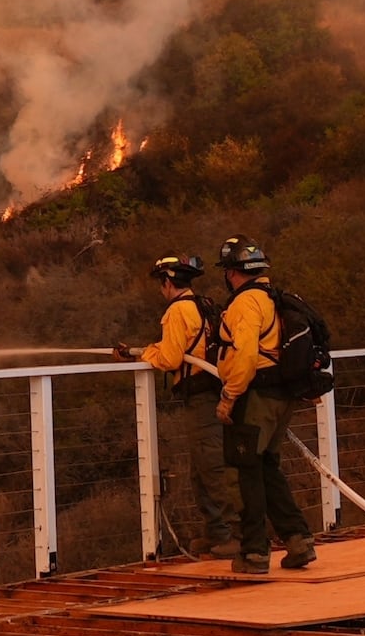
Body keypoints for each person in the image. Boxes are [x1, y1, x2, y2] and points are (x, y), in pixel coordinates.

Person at [208, 237, 322, 575]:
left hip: (254, 397)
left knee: (244, 472)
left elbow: (243, 356)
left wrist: (229, 397)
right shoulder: (275, 298)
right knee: (268, 469)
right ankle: (298, 541)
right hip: (280, 397)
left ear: (231, 272)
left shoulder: (245, 304)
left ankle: (254, 553)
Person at [116, 255, 234, 560]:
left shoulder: (176, 312)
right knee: (202, 466)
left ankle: (231, 535)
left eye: (161, 284)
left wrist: (141, 355)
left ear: (168, 283)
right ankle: (216, 532)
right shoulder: (205, 305)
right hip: (216, 392)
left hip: (201, 397)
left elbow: (170, 358)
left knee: (210, 465)